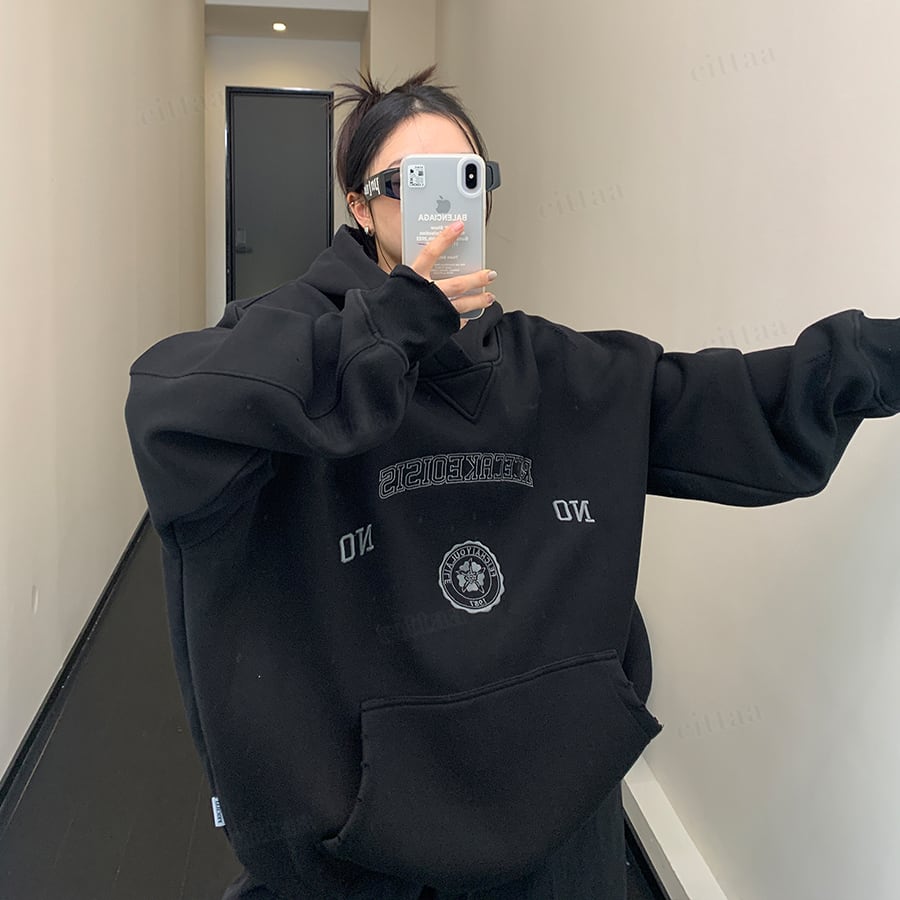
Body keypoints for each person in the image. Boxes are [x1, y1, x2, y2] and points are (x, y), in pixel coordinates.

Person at [124, 66, 900, 900]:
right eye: (409, 184)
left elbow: (741, 401)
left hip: (561, 820)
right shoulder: (291, 347)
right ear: (361, 208)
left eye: (466, 179)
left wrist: (873, 356)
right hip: (369, 843)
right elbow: (172, 412)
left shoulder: (555, 370)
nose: (446, 206)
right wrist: (391, 326)